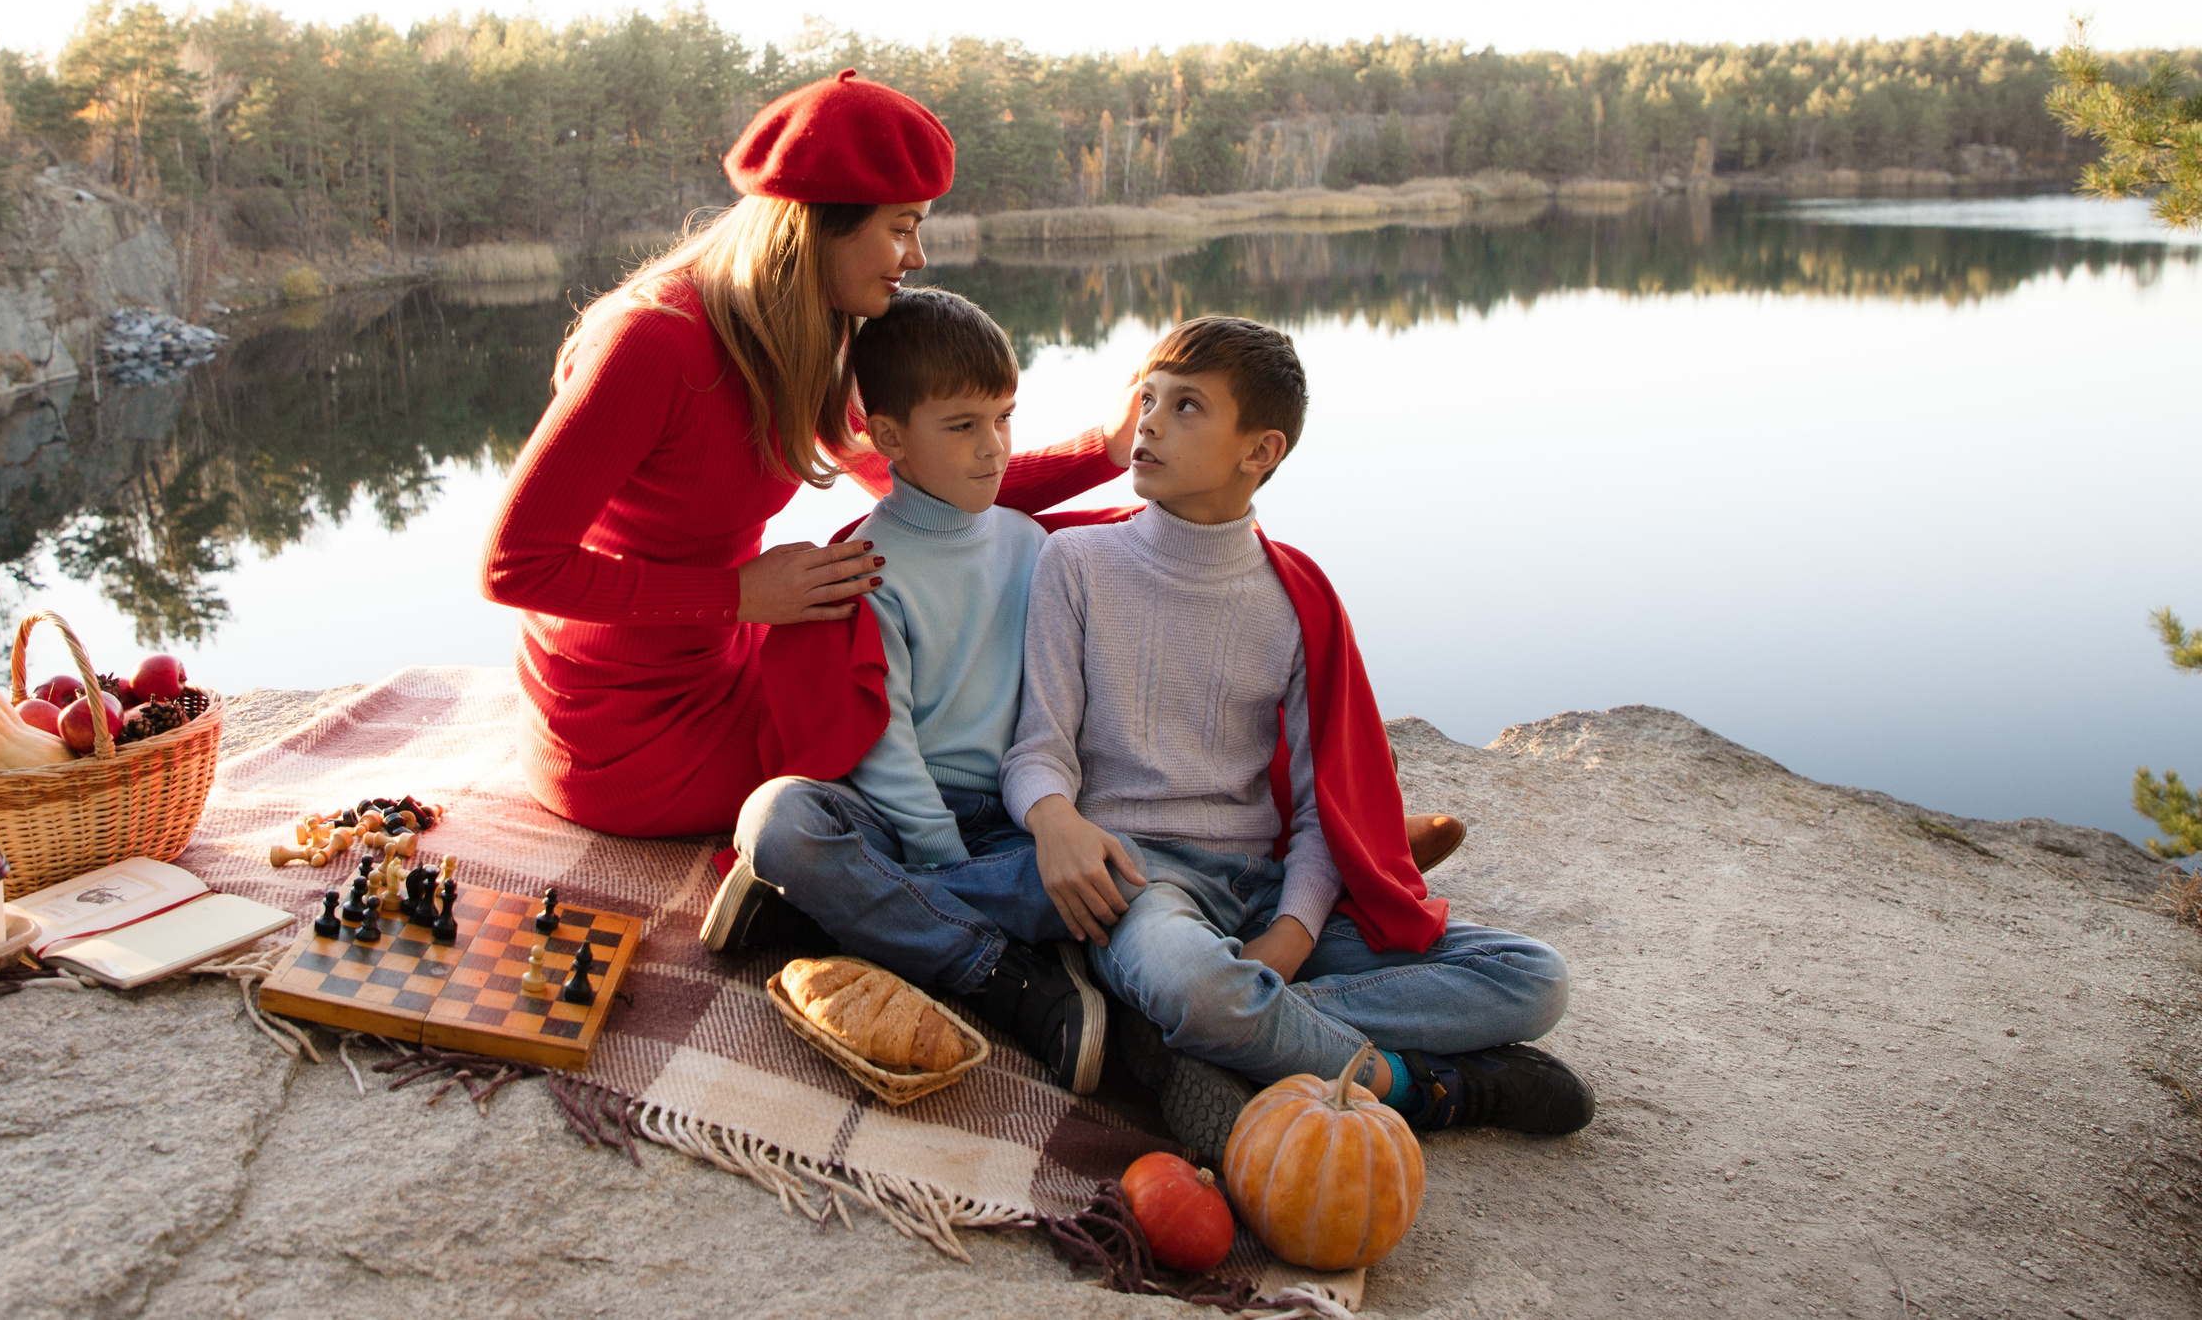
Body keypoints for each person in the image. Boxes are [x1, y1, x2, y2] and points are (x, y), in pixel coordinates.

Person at [480, 69, 1132, 839]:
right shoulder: (651, 341)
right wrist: (737, 595)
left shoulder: (812, 330)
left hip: (724, 653)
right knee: (879, 728)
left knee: (1054, 558)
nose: (916, 255)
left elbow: (935, 476)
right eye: (900, 226)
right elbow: (513, 566)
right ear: (817, 224)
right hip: (626, 731)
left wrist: (1112, 449)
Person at [1004, 315, 1593, 1155]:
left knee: (1534, 978)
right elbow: (1039, 746)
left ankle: (1233, 1034)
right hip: (1143, 884)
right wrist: (1053, 816)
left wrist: (1293, 932)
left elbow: (1327, 808)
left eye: (1186, 407)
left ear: (1260, 450)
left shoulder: (1296, 596)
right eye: (1146, 398)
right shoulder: (1078, 565)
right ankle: (1429, 1085)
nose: (1148, 423)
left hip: (1265, 884)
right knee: (1198, 988)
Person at [711, 288, 1109, 1094]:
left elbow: (1061, 698)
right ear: (888, 436)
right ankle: (998, 972)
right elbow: (883, 742)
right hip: (894, 816)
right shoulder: (868, 563)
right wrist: (937, 850)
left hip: (1008, 816)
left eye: (1004, 417)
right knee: (777, 818)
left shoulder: (1034, 546)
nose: (994, 448)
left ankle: (831, 912)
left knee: (1117, 875)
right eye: (962, 426)